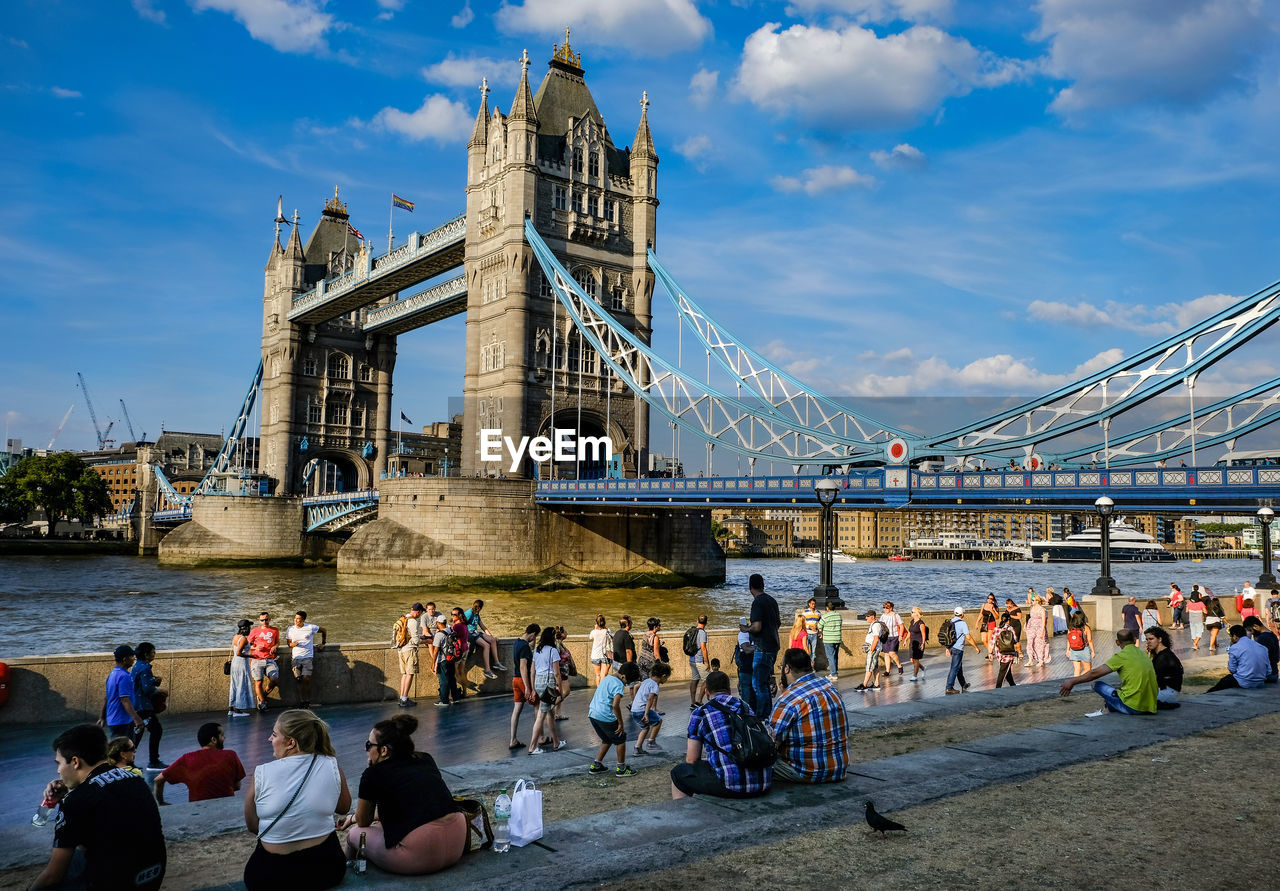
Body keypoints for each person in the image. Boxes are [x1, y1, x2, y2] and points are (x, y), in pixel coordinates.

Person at [29, 724, 166, 890]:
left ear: (75, 762)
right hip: (152, 876)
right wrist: (71, 791)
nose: (58, 771)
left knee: (66, 865)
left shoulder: (76, 801)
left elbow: (53, 875)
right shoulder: (135, 779)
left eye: (58, 763)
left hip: (114, 884)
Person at [339, 714, 465, 876]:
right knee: (380, 826)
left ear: (383, 750)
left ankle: (348, 877)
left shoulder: (373, 774)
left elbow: (364, 821)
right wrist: (351, 818)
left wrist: (353, 821)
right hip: (456, 843)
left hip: (419, 854)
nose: (366, 750)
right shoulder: (425, 759)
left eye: (368, 745)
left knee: (354, 834)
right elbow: (408, 808)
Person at [243, 709, 352, 890]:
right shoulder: (332, 764)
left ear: (291, 743)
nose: (270, 739)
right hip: (326, 868)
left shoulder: (262, 772)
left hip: (270, 875)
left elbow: (253, 826)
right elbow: (343, 808)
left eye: (274, 734)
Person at [670, 670, 771, 800]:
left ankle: (683, 813)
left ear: (706, 691)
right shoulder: (745, 706)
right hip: (763, 782)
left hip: (731, 786)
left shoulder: (700, 713)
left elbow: (691, 760)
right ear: (729, 690)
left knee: (678, 774)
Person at [768, 648, 847, 783]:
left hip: (808, 772)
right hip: (838, 768)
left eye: (781, 667)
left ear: (786, 669)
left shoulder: (789, 699)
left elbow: (770, 744)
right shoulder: (828, 686)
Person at [1059, 629, 1157, 714]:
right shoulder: (1144, 654)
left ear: (1117, 642)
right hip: (1151, 707)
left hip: (1132, 707)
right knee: (1119, 691)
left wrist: (1072, 681)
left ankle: (1110, 706)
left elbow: (1094, 674)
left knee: (1096, 684)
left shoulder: (1121, 657)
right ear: (1135, 640)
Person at [154, 722, 245, 804]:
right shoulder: (230, 755)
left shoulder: (187, 759)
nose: (224, 738)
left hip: (198, 811)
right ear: (213, 739)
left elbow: (158, 780)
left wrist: (161, 802)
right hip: (227, 808)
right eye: (222, 735)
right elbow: (237, 786)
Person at [587, 661, 640, 777]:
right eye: (628, 682)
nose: (626, 684)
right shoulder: (619, 685)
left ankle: (596, 765)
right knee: (621, 738)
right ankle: (621, 768)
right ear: (623, 676)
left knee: (607, 739)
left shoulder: (607, 678)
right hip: (605, 715)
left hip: (593, 714)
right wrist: (620, 723)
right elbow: (615, 705)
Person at [740, 573, 781, 716]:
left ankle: (763, 716)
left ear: (750, 586)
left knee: (758, 685)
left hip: (762, 648)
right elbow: (777, 624)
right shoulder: (772, 600)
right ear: (763, 584)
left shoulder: (757, 602)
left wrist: (746, 629)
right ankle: (769, 714)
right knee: (764, 683)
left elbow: (757, 627)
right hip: (773, 646)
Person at [528, 626, 566, 755]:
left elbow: (532, 671)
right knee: (541, 715)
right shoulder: (553, 651)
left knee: (550, 713)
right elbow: (556, 673)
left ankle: (556, 742)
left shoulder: (537, 650)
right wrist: (559, 689)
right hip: (547, 683)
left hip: (538, 682)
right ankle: (532, 747)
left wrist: (533, 688)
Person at [130, 642, 165, 769]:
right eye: (153, 652)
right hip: (143, 706)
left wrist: (153, 680)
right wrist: (159, 690)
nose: (154, 654)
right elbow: (147, 689)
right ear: (146, 654)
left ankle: (129, 763)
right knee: (155, 730)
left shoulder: (137, 666)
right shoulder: (145, 667)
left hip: (137, 705)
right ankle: (153, 761)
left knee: (137, 733)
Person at [1205, 625, 1271, 692]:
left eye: (1231, 637)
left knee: (1224, 682)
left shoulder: (1235, 647)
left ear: (1234, 636)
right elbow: (1268, 671)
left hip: (1244, 682)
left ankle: (1207, 694)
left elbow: (1232, 669)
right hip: (1260, 682)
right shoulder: (1262, 647)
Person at [103, 644, 146, 743]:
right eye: (131, 656)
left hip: (113, 719)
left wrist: (102, 717)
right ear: (124, 659)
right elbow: (125, 699)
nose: (134, 658)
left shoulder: (113, 674)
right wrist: (137, 718)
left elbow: (107, 697)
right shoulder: (124, 676)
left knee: (118, 749)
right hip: (122, 720)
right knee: (124, 751)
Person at [286, 611, 326, 709]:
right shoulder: (290, 629)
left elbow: (324, 630)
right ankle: (302, 701)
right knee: (298, 680)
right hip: (295, 658)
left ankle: (307, 701)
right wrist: (292, 644)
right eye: (295, 618)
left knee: (306, 679)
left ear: (303, 620)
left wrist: (323, 643)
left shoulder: (310, 627)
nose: (295, 620)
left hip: (307, 657)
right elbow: (289, 643)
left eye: (298, 619)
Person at [508, 623, 539, 747]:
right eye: (535, 636)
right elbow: (523, 667)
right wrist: (527, 687)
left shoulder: (517, 642)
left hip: (515, 679)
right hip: (522, 680)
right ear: (532, 634)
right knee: (538, 705)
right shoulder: (525, 647)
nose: (535, 639)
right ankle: (540, 738)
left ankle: (513, 740)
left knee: (516, 710)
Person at [631, 660, 671, 755]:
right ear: (663, 676)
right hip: (642, 710)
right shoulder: (654, 685)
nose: (667, 680)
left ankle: (637, 748)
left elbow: (636, 686)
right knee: (658, 721)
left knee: (645, 728)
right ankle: (651, 742)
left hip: (634, 710)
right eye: (667, 678)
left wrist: (635, 700)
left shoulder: (646, 681)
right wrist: (646, 714)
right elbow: (650, 700)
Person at [462, 599, 505, 679]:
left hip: (476, 633)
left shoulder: (477, 615)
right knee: (486, 645)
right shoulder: (469, 612)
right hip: (471, 635)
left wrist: (491, 636)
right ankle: (487, 670)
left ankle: (496, 663)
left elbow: (482, 626)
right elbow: (461, 623)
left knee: (492, 640)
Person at [943, 608, 983, 694]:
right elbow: (968, 637)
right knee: (954, 668)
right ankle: (949, 687)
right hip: (958, 648)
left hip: (951, 647)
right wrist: (976, 647)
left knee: (958, 667)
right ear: (962, 614)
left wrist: (947, 648)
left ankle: (963, 684)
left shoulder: (950, 621)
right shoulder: (962, 623)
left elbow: (947, 636)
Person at [248, 611, 281, 712]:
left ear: (269, 619)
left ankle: (263, 696)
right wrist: (255, 646)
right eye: (262, 620)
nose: (264, 621)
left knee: (274, 679)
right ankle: (262, 703)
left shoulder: (275, 630)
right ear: (259, 621)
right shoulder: (254, 631)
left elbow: (277, 641)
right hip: (257, 660)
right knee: (258, 682)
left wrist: (275, 646)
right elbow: (247, 644)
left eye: (266, 619)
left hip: (270, 659)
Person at [1144, 626, 1183, 709]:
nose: (1148, 642)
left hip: (1166, 694)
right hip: (1170, 693)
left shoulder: (1164, 657)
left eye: (1151, 639)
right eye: (1147, 639)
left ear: (1160, 639)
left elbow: (1150, 677)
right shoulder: (1163, 654)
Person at [395, 602, 425, 708]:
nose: (420, 615)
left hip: (401, 649)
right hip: (410, 650)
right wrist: (427, 640)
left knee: (404, 674)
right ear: (418, 612)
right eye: (421, 613)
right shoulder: (412, 621)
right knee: (410, 674)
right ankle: (404, 699)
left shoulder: (403, 619)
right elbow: (416, 640)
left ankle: (402, 698)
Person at [430, 615, 461, 708]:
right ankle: (455, 698)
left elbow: (436, 651)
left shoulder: (439, 635)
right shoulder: (451, 630)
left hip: (443, 660)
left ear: (438, 623)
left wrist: (433, 663)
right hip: (451, 658)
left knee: (443, 680)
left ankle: (444, 700)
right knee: (452, 678)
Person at [229, 619, 255, 716]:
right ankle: (237, 710)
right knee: (241, 685)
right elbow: (239, 653)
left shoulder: (236, 637)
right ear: (245, 628)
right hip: (241, 664)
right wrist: (251, 656)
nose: (250, 629)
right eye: (249, 627)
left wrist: (250, 645)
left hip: (235, 663)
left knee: (234, 685)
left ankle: (231, 709)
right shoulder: (243, 639)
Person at [1243, 616, 1279, 682]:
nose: (1251, 633)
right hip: (1274, 673)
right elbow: (1276, 657)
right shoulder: (1272, 635)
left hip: (1266, 675)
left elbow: (1258, 660)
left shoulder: (1262, 638)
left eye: (1250, 630)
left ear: (1256, 626)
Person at [855, 609, 884, 692]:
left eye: (867, 616)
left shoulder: (876, 625)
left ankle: (864, 685)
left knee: (869, 666)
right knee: (874, 666)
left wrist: (871, 650)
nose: (866, 618)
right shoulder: (873, 624)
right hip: (874, 648)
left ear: (873, 617)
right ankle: (876, 684)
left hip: (874, 649)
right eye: (866, 616)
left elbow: (876, 638)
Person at [553, 626, 575, 720]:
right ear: (561, 634)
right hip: (561, 672)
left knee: (560, 693)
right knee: (566, 692)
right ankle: (550, 708)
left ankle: (557, 714)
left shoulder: (560, 644)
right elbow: (555, 659)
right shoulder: (557, 645)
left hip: (563, 671)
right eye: (565, 632)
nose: (566, 633)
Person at [688, 614, 709, 709]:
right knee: (707, 680)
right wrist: (707, 662)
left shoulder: (692, 631)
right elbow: (703, 648)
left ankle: (693, 702)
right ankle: (699, 701)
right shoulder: (702, 633)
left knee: (694, 680)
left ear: (697, 620)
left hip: (692, 660)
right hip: (699, 660)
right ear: (706, 622)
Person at [818, 600, 843, 680]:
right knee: (835, 656)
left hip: (828, 639)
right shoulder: (839, 615)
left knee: (830, 657)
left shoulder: (825, 616)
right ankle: (835, 671)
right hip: (837, 638)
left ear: (827, 608)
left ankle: (833, 674)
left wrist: (821, 631)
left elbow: (819, 625)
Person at [1066, 610, 1096, 675]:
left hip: (1073, 649)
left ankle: (1076, 682)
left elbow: (1068, 639)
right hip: (1084, 649)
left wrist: (1068, 650)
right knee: (1088, 669)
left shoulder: (1071, 628)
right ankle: (1079, 680)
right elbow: (1090, 640)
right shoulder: (1086, 628)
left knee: (1077, 669)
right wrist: (1093, 651)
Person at [993, 612, 1019, 687]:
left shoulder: (996, 629)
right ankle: (998, 688)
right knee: (1003, 671)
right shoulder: (1010, 628)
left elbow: (992, 641)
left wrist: (990, 653)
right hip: (1009, 653)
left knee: (1007, 670)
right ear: (1008, 620)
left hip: (999, 653)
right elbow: (1015, 640)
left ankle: (1012, 685)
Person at [1025, 595, 1050, 667]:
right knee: (1029, 643)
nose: (1031, 601)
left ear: (1037, 601)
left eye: (1033, 600)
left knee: (1039, 644)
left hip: (1039, 628)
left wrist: (1042, 631)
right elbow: (1030, 618)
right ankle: (1030, 660)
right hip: (1031, 627)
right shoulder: (1032, 608)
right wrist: (1026, 626)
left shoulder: (1042, 609)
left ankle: (1041, 660)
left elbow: (1044, 621)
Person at [588, 614, 613, 685]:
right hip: (605, 655)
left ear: (596, 623)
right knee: (603, 676)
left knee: (598, 675)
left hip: (595, 655)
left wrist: (596, 629)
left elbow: (590, 637)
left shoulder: (594, 632)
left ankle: (598, 692)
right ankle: (603, 692)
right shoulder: (608, 631)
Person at [882, 601, 904, 675]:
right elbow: (880, 625)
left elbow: (901, 626)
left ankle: (899, 665)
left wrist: (900, 636)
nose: (885, 609)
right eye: (884, 607)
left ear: (891, 608)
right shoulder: (883, 616)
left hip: (894, 636)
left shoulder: (896, 615)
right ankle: (887, 671)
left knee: (892, 653)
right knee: (886, 654)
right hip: (885, 637)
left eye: (887, 608)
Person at [907, 605, 928, 681]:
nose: (911, 613)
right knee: (912, 660)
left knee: (916, 660)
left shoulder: (921, 623)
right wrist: (906, 639)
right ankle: (923, 668)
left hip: (919, 643)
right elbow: (910, 631)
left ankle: (915, 676)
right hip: (912, 642)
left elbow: (923, 634)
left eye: (912, 612)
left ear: (916, 613)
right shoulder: (912, 621)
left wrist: (922, 643)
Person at [978, 595, 999, 659]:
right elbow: (981, 614)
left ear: (993, 600)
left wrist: (992, 610)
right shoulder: (984, 605)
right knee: (984, 640)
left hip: (991, 623)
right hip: (984, 623)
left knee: (989, 640)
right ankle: (991, 652)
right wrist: (977, 622)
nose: (989, 600)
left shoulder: (994, 607)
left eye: (991, 599)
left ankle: (990, 653)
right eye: (988, 598)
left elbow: (997, 617)